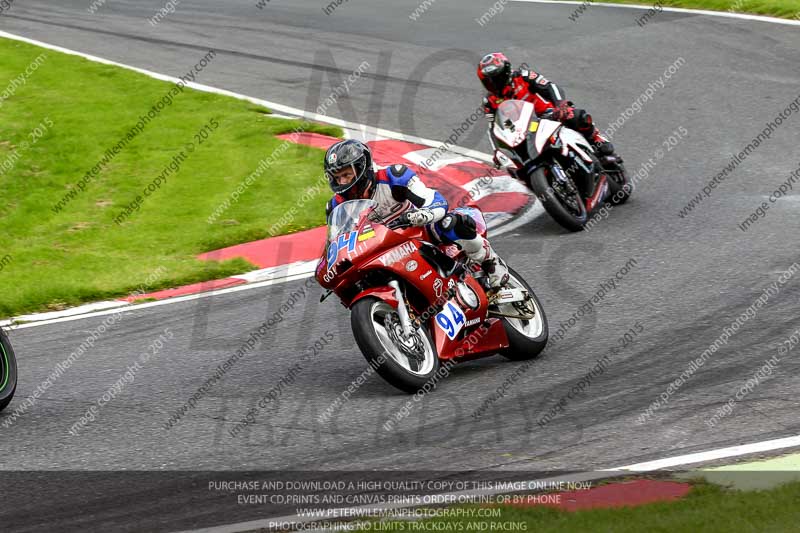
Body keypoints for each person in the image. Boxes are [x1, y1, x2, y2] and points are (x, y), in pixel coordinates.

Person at [324, 139, 509, 289]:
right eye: (337, 177)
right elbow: (337, 245)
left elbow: (435, 201)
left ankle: (490, 262)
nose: (342, 182)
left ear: (362, 168)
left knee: (449, 223)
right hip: (381, 249)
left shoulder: (393, 177)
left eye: (346, 175)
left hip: (418, 231)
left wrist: (418, 216)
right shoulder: (335, 206)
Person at [477, 52, 620, 163]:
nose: (494, 84)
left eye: (497, 78)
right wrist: (497, 151)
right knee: (515, 164)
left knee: (573, 115)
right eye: (489, 81)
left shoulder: (524, 76)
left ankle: (596, 139)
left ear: (506, 71)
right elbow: (493, 129)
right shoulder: (489, 101)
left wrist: (560, 104)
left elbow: (550, 86)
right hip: (521, 132)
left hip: (546, 115)